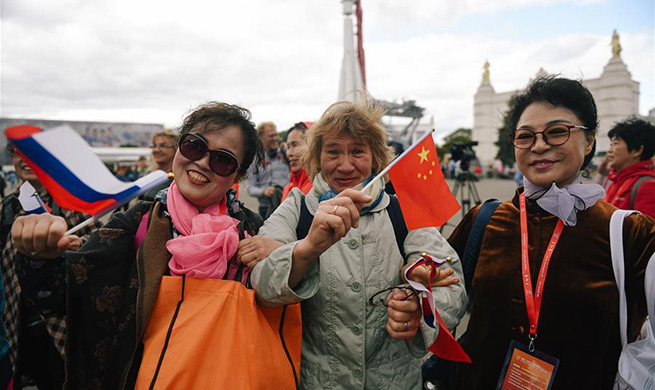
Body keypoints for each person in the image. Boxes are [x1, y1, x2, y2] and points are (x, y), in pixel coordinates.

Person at [10, 102, 265, 389]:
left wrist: (281, 257)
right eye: (194, 146)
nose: (203, 162)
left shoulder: (254, 230)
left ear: (238, 175)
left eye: (223, 159)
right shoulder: (137, 221)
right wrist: (41, 257)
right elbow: (65, 295)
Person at [448, 76, 655, 389]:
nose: (539, 145)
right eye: (525, 136)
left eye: (557, 132)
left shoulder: (630, 233)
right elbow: (444, 292)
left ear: (589, 140)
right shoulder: (484, 219)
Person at [251, 100, 467, 390]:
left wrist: (421, 307)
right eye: (333, 151)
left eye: (357, 151)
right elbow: (260, 287)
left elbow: (454, 286)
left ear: (376, 157)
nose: (345, 164)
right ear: (317, 156)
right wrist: (308, 248)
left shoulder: (401, 211)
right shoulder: (296, 208)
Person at [0, 142, 101, 389]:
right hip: (16, 318)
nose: (25, 161)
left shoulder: (74, 201)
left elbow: (99, 249)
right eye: (18, 153)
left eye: (34, 156)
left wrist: (77, 246)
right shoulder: (9, 205)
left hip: (60, 322)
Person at [603, 117, 655, 218]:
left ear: (637, 150)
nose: (609, 150)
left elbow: (646, 232)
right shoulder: (616, 181)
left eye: (615, 144)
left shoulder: (647, 186)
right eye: (610, 144)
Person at [247, 121, 290, 219]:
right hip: (266, 208)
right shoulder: (255, 160)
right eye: (271, 136)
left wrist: (288, 148)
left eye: (276, 135)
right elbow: (251, 188)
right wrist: (264, 191)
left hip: (287, 205)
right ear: (261, 137)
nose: (275, 138)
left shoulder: (285, 153)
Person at [140, 130, 178, 201]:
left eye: (163, 146)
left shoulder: (179, 180)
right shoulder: (149, 175)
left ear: (175, 150)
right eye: (154, 146)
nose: (156, 150)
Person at [281, 121, 312, 201]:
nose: (289, 154)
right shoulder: (287, 189)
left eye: (295, 145)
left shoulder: (320, 189)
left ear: (313, 145)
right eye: (288, 147)